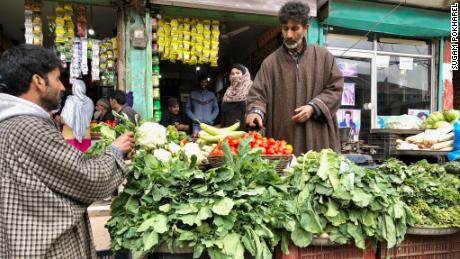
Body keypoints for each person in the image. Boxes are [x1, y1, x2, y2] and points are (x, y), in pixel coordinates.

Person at [0, 44, 134, 258]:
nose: (63, 87)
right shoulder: (28, 127)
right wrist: (115, 150)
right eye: (57, 79)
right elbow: (90, 179)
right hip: (45, 249)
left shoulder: (9, 123)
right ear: (38, 82)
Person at [245, 1, 343, 155]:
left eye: (294, 29)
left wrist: (313, 107)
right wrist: (256, 111)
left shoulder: (324, 58)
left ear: (305, 28)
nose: (289, 35)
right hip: (283, 137)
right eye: (285, 29)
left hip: (318, 136)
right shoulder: (270, 63)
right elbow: (257, 93)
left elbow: (335, 88)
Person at [60, 79, 94, 152]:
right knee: (85, 161)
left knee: (69, 162)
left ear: (74, 88)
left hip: (69, 137)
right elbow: (89, 119)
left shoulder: (70, 101)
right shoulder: (90, 102)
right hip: (86, 136)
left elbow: (64, 119)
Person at [221, 64, 253, 130]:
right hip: (228, 129)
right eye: (232, 74)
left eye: (238, 73)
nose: (235, 76)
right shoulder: (228, 91)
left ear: (244, 74)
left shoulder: (251, 88)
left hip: (245, 129)